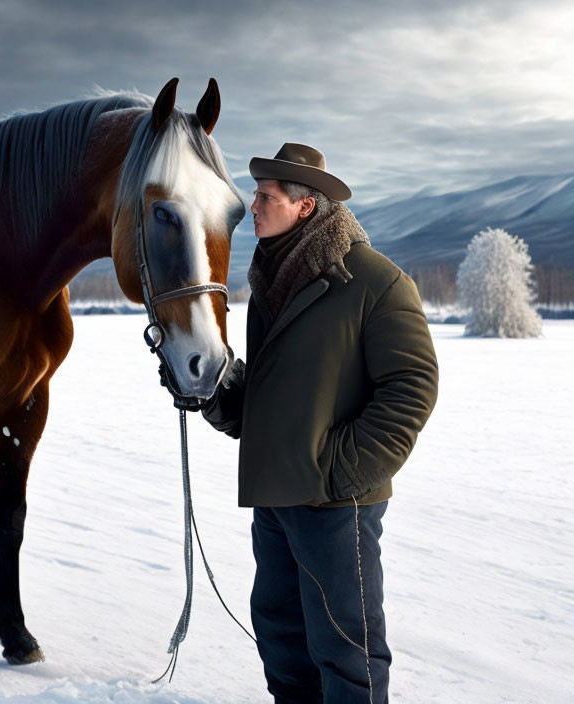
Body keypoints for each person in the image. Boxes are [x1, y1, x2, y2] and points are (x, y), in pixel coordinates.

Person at [202, 143, 438, 703]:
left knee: (347, 654)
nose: (251, 206)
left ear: (305, 207)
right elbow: (270, 395)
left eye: (265, 197)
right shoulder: (271, 283)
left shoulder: (374, 282)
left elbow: (413, 388)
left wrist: (339, 471)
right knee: (283, 643)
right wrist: (212, 392)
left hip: (336, 505)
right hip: (277, 499)